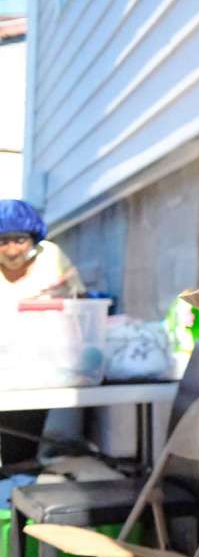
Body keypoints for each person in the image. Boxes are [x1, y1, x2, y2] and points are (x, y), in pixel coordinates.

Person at [0, 199, 87, 465]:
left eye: (20, 239)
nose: (12, 249)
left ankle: (17, 481)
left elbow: (81, 302)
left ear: (33, 238)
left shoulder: (51, 258)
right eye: (3, 241)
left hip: (43, 364)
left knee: (24, 430)